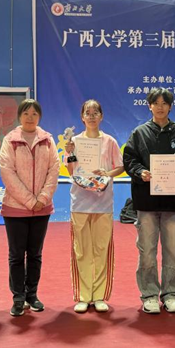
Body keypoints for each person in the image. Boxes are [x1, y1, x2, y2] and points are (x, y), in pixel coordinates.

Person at [123, 88, 175, 314]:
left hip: (174, 203)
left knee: (172, 249)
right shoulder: (139, 133)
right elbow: (129, 160)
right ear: (149, 106)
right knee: (147, 250)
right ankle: (149, 295)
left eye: (165, 103)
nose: (160, 107)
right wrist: (140, 172)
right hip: (146, 203)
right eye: (156, 103)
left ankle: (171, 293)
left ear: (170, 106)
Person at [0, 99, 60, 317]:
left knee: (35, 254)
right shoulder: (10, 140)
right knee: (16, 255)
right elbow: (7, 172)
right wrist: (29, 201)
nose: (30, 117)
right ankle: (18, 297)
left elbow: (54, 169)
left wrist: (42, 198)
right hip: (15, 208)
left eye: (34, 113)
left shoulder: (48, 140)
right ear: (19, 116)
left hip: (42, 208)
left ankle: (32, 295)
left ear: (39, 116)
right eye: (26, 113)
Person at [63, 99, 124, 313]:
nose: (91, 116)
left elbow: (120, 166)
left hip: (103, 203)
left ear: (101, 116)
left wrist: (107, 173)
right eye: (87, 113)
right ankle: (83, 295)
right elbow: (71, 170)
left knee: (101, 249)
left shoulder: (109, 141)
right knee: (81, 251)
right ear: (82, 117)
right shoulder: (74, 142)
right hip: (80, 202)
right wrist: (69, 151)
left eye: (95, 112)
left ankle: (99, 296)